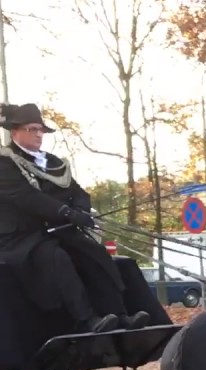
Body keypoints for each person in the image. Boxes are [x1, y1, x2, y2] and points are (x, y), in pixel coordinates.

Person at [0, 102, 149, 333]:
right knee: (57, 259)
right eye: (32, 129)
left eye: (40, 130)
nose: (38, 134)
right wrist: (65, 212)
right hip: (22, 237)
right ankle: (86, 320)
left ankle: (119, 315)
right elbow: (27, 197)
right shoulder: (5, 163)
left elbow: (77, 192)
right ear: (15, 131)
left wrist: (80, 209)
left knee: (95, 253)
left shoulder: (52, 163)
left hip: (58, 231)